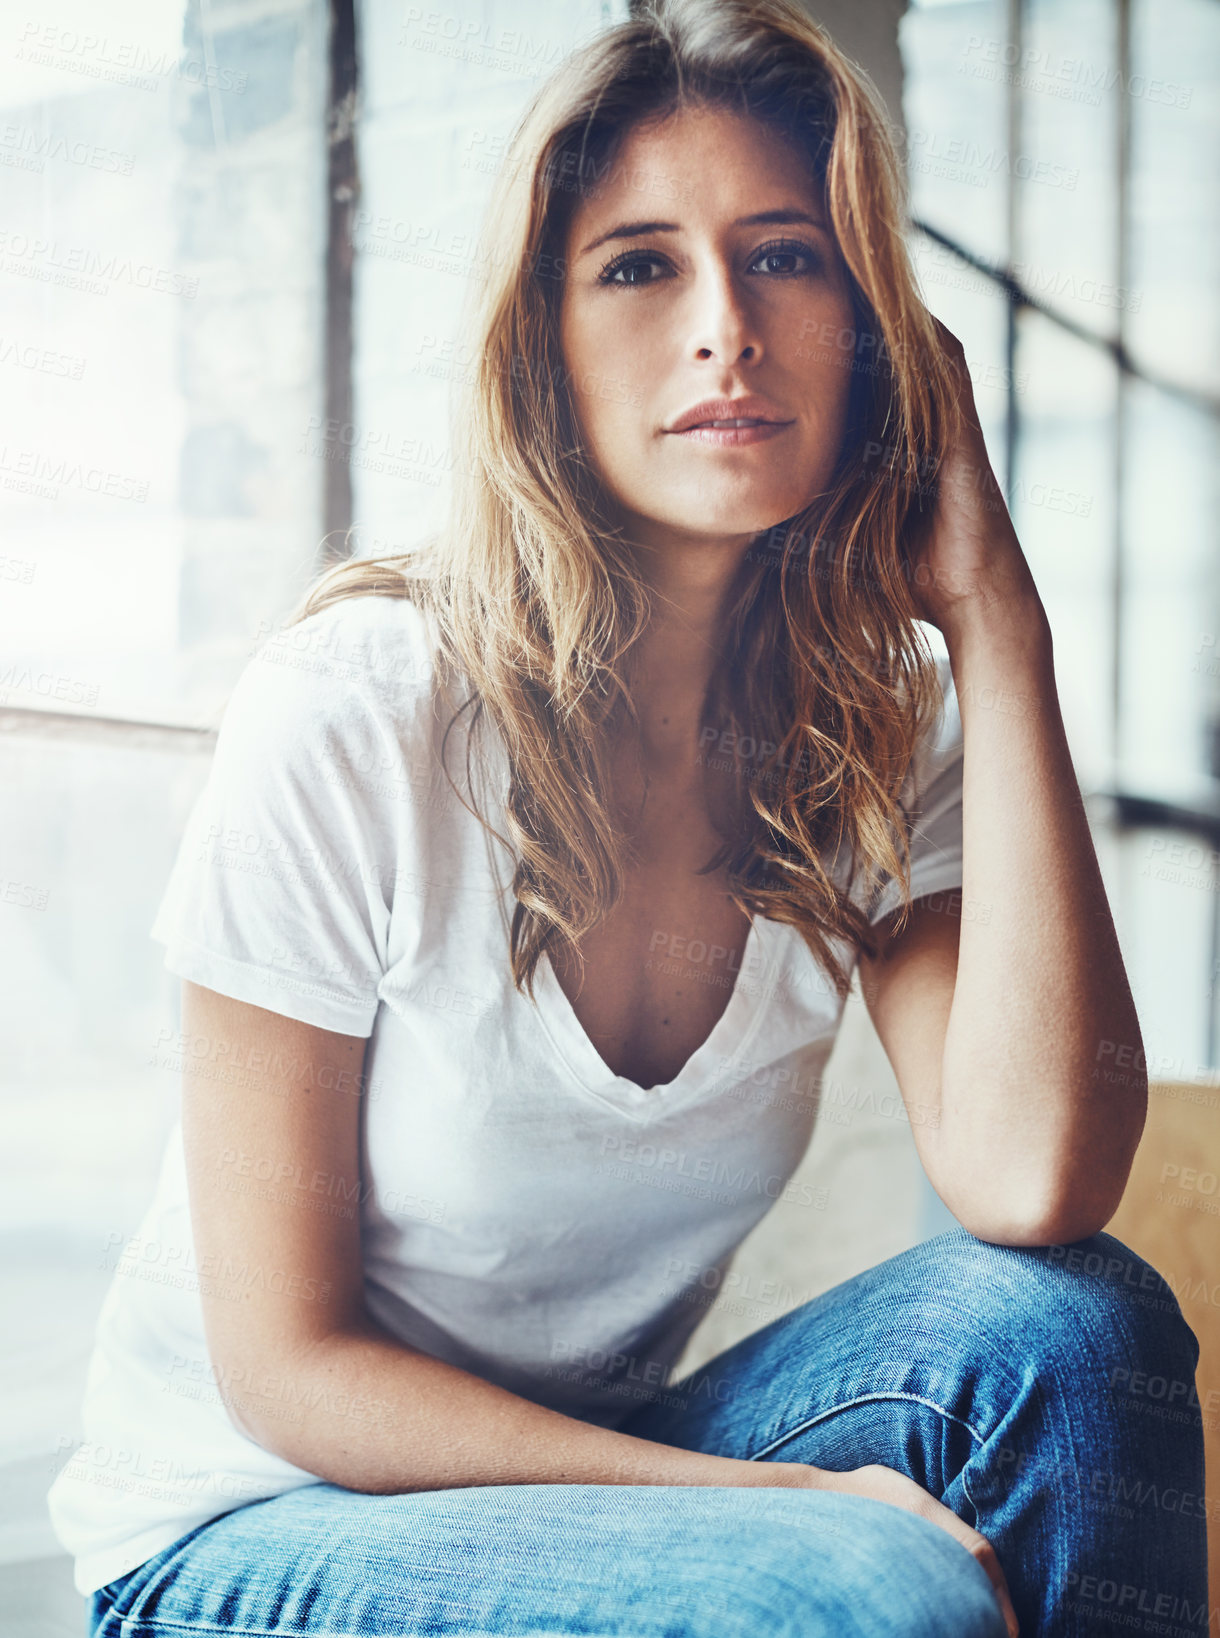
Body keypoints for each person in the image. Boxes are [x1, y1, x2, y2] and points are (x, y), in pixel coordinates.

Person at [51, 1, 1207, 1634]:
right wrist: (782, 1505)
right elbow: (290, 1370)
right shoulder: (365, 705)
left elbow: (1033, 1180)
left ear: (874, 329)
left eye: (787, 255)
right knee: (868, 1582)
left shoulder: (875, 732)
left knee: (1078, 1329)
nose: (726, 325)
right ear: (546, 343)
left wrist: (998, 622)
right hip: (248, 1527)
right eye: (640, 265)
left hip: (574, 1465)